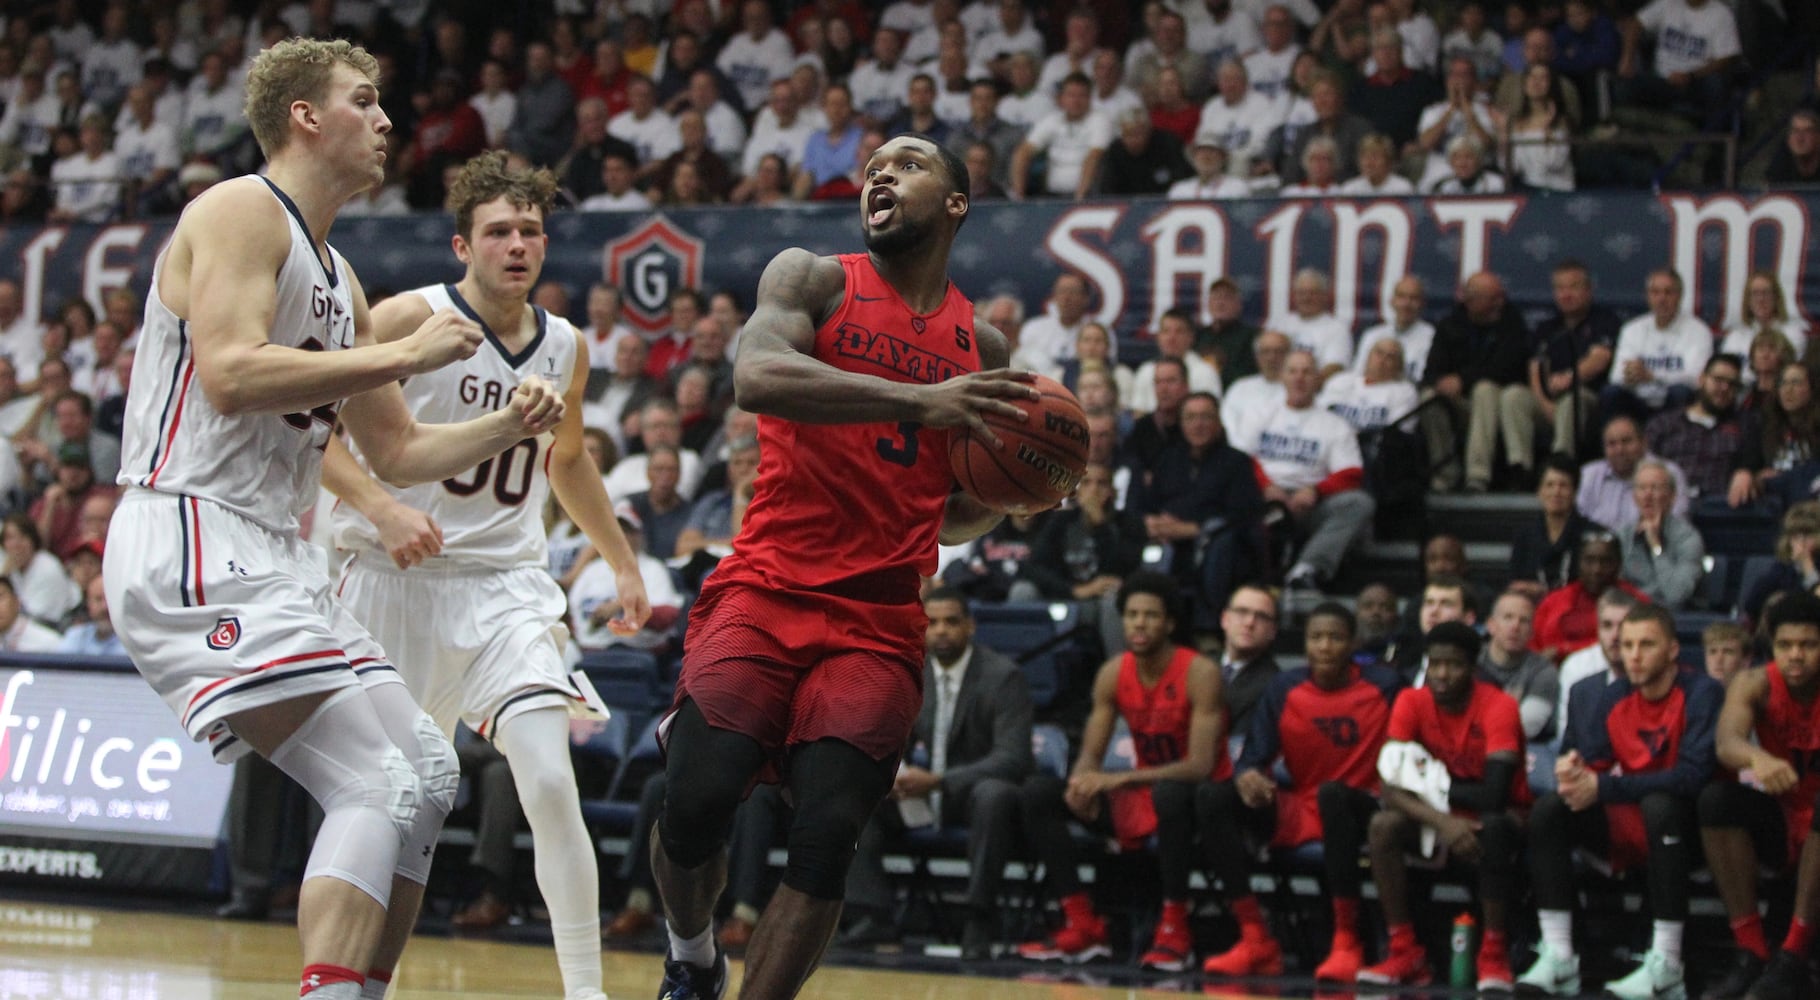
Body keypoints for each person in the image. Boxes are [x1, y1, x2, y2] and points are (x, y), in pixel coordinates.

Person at [103, 38, 569, 1000]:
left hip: (274, 551)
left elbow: (394, 453)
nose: (388, 120)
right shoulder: (238, 210)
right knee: (374, 782)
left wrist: (503, 424)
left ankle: (361, 986)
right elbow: (231, 373)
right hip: (191, 529)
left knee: (429, 773)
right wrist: (394, 358)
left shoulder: (342, 279)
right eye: (366, 101)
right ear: (306, 118)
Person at [648, 133, 1043, 1000]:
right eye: (873, 168)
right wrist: (919, 399)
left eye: (906, 164)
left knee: (829, 835)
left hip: (879, 615)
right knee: (696, 802)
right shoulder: (811, 278)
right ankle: (691, 954)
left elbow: (956, 511)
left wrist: (1017, 497)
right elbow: (755, 376)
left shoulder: (988, 343)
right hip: (768, 582)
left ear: (954, 204)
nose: (880, 175)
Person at [321, 152, 649, 1000]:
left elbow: (568, 461)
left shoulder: (566, 345)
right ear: (460, 243)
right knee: (395, 801)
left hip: (504, 586)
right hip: (390, 581)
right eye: (498, 231)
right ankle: (361, 982)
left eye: (531, 231)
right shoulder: (406, 315)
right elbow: (309, 432)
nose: (517, 245)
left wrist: (621, 561)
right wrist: (384, 508)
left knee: (547, 775)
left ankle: (586, 992)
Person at [1015, 572, 1226, 970]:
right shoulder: (1113, 672)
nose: (1139, 624)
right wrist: (1082, 782)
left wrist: (1118, 779)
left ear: (1170, 623)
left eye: (1150, 615)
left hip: (1196, 801)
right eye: (1131, 615)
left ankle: (1175, 927)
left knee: (1171, 796)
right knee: (1040, 792)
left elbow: (1201, 766)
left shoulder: (1200, 672)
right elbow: (1091, 754)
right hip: (1143, 795)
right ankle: (1083, 922)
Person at [1520, 604, 1721, 1000]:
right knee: (1549, 809)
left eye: (1646, 644)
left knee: (1661, 804)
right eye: (1627, 644)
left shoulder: (1702, 693)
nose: (1633, 654)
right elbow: (1592, 760)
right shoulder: (1610, 696)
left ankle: (1667, 962)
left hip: (1690, 832)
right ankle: (1560, 954)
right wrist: (1573, 770)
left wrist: (1603, 787)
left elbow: (1692, 777)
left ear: (1673, 650)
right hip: (1627, 824)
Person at [1200, 602, 1401, 981]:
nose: (1324, 646)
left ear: (1353, 643)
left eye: (1335, 638)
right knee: (1213, 797)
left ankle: (1346, 941)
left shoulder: (1384, 685)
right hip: (1304, 803)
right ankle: (1254, 935)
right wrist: (1249, 777)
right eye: (1316, 638)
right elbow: (1253, 758)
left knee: (1333, 795)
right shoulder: (1285, 686)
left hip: (1363, 805)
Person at [843, 588, 1033, 959]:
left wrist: (942, 781)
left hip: (973, 795)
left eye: (951, 622)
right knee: (857, 793)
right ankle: (872, 916)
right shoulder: (913, 672)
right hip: (925, 794)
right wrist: (894, 775)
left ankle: (978, 918)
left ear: (971, 627)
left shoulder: (1002, 676)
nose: (941, 631)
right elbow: (889, 738)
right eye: (932, 623)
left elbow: (1014, 758)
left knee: (993, 795)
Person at [1359, 622, 1528, 990]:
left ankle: (1493, 954)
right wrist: (1443, 823)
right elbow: (1390, 786)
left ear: (1472, 667)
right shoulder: (1411, 700)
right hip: (1437, 823)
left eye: (1452, 665)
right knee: (1382, 825)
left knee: (1498, 826)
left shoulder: (1499, 706)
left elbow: (1495, 794)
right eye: (1434, 664)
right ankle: (1405, 950)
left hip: (1495, 820)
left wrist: (1430, 791)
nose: (1441, 674)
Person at [1699, 590, 1820, 1000]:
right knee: (1717, 801)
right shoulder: (1754, 683)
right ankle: (1751, 950)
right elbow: (1727, 742)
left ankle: (1794, 956)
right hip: (1786, 816)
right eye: (1786, 645)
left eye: (1808, 645)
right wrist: (1758, 758)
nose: (1796, 656)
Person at [1532, 531, 1643, 661]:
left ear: (1618, 564)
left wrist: (1565, 650)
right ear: (1578, 563)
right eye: (1589, 561)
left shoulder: (1638, 603)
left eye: (1605, 561)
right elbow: (1533, 643)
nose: (1597, 570)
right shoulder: (1554, 601)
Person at [1510, 454, 1607, 598]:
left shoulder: (1593, 534)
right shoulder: (1525, 536)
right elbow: (1515, 583)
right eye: (1549, 485)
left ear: (1574, 492)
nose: (1556, 492)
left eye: (1563, 485)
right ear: (1539, 492)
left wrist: (1544, 591)